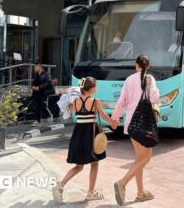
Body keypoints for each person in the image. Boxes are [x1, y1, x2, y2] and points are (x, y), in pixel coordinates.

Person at [52, 77, 118, 202]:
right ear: (92, 89)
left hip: (78, 134)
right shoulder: (95, 101)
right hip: (91, 134)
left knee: (79, 166)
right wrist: (113, 123)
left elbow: (70, 109)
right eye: (96, 86)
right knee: (94, 163)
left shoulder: (76, 101)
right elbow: (103, 115)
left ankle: (61, 185)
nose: (97, 89)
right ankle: (90, 193)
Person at [111, 54, 160, 205]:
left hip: (131, 124)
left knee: (139, 159)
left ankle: (140, 192)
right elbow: (155, 99)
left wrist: (115, 118)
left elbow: (122, 101)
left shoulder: (128, 80)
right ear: (148, 66)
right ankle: (123, 182)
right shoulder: (149, 79)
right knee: (146, 158)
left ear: (136, 65)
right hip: (144, 125)